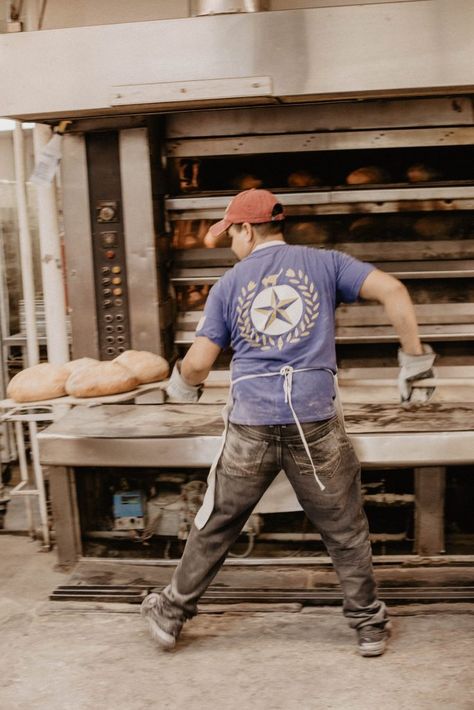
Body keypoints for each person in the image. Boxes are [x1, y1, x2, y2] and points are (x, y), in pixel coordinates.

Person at [141, 189, 436, 656]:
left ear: (246, 228)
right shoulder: (325, 264)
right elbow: (394, 290)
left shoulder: (229, 284)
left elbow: (198, 362)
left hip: (252, 423)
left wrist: (181, 385)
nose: (230, 242)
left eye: (230, 232)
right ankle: (368, 627)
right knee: (344, 529)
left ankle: (171, 612)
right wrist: (415, 362)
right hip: (314, 419)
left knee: (217, 522)